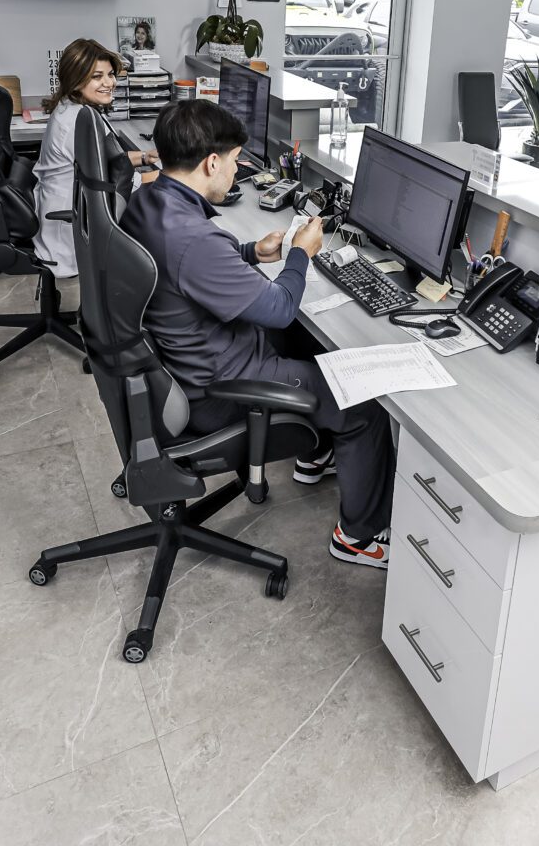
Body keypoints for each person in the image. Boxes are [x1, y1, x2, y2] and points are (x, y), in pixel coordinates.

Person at [122, 99, 394, 567]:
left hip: (188, 360)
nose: (236, 169)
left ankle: (314, 459)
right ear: (211, 162)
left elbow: (182, 272)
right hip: (219, 388)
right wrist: (300, 254)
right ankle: (358, 538)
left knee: (311, 346)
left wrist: (250, 252)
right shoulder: (195, 238)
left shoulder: (150, 198)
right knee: (364, 404)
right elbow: (281, 309)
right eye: (233, 161)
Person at [35, 39, 155, 303]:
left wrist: (147, 156)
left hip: (72, 203)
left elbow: (107, 158)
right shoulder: (76, 122)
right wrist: (161, 176)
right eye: (97, 77)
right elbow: (109, 180)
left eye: (110, 74)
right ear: (77, 80)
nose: (109, 83)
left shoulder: (77, 109)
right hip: (70, 220)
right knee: (156, 217)